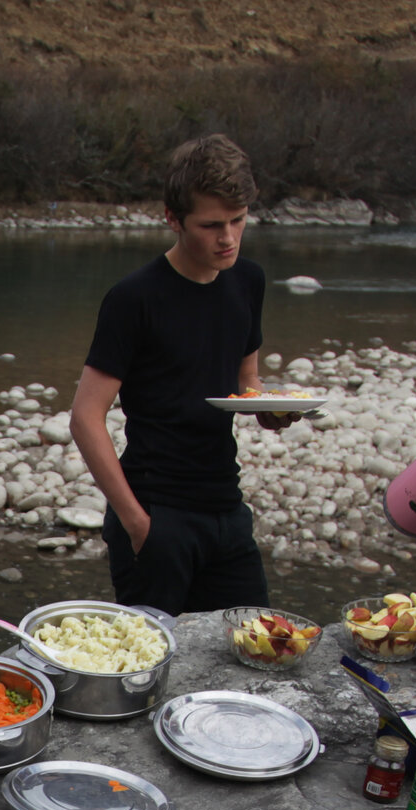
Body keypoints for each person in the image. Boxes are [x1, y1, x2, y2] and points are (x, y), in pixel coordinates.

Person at [71, 133, 299, 615]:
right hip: (157, 511)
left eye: (238, 221)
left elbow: (246, 381)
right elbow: (85, 418)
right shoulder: (134, 299)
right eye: (212, 225)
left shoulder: (248, 280)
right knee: (151, 674)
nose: (229, 238)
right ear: (173, 220)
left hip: (227, 509)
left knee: (257, 650)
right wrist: (137, 524)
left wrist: (271, 410)